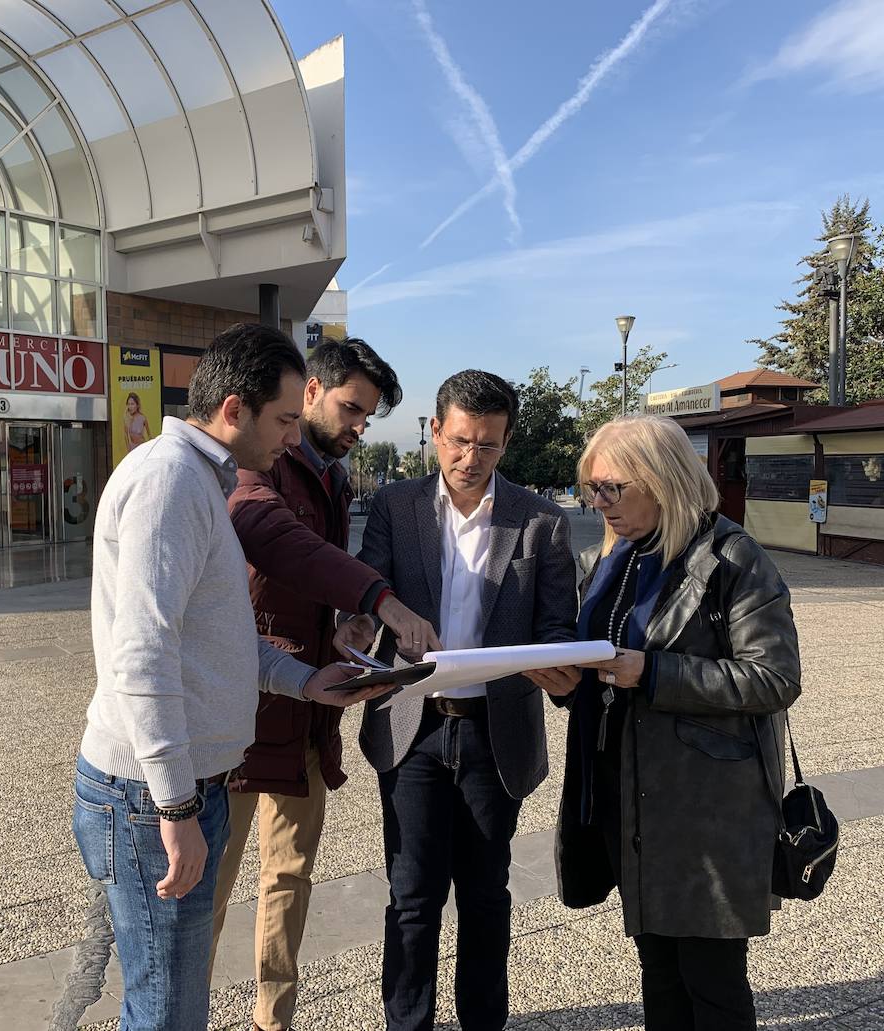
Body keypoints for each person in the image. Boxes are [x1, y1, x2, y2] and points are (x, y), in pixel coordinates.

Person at [72, 324, 389, 1031]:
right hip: (149, 792)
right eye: (283, 420)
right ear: (234, 409)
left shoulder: (195, 478)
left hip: (176, 783)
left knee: (169, 1004)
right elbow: (144, 655)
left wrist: (305, 680)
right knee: (165, 1012)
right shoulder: (170, 483)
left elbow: (213, 638)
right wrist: (177, 808)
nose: (288, 439)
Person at [341, 369, 578, 1031]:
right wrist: (366, 623)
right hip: (413, 727)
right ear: (435, 430)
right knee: (412, 896)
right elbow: (369, 586)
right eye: (460, 441)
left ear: (507, 443)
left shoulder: (541, 522)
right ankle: (407, 1023)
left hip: (493, 732)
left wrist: (557, 664)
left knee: (484, 895)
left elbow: (558, 624)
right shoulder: (396, 506)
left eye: (490, 445)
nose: (471, 458)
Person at [210, 337, 432, 1031]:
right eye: (351, 409)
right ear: (309, 392)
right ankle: (180, 1013)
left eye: (367, 416)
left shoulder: (334, 475)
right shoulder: (258, 463)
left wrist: (346, 620)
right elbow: (270, 533)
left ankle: (272, 1019)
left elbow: (316, 570)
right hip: (244, 713)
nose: (358, 426)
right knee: (207, 890)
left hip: (311, 706)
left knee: (289, 876)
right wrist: (379, 598)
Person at [552, 414, 802, 1031]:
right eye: (592, 489)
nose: (599, 502)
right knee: (658, 969)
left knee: (711, 980)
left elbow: (774, 679)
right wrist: (563, 679)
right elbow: (602, 666)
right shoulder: (611, 560)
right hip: (625, 794)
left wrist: (656, 673)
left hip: (704, 809)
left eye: (613, 488)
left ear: (663, 481)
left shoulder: (731, 557)